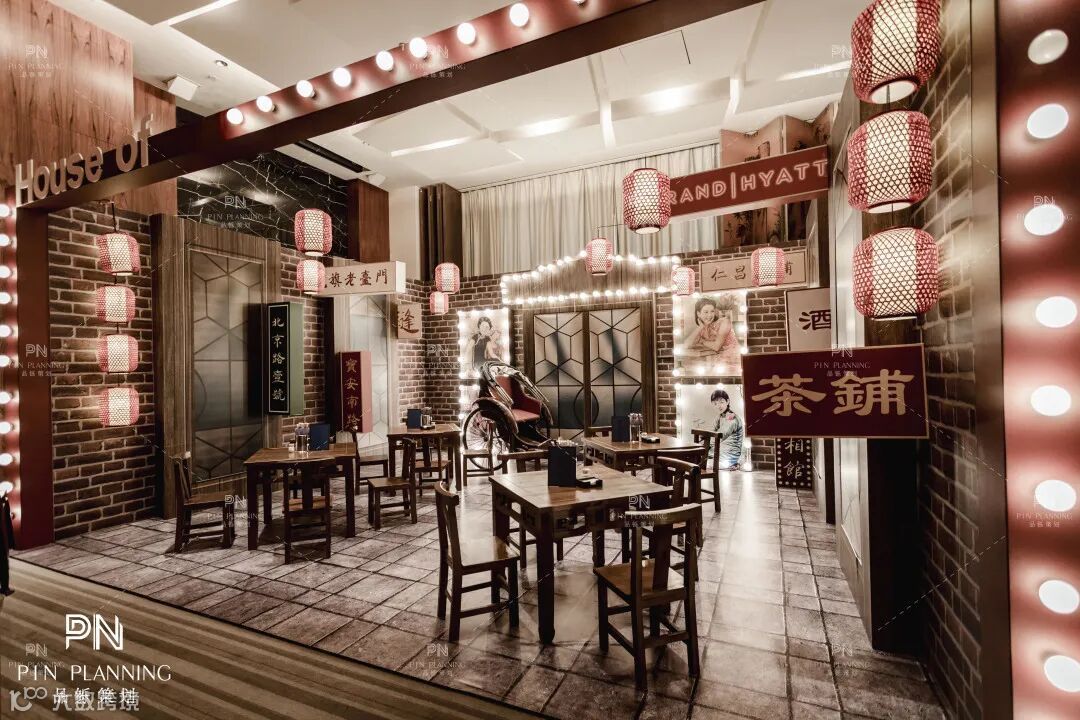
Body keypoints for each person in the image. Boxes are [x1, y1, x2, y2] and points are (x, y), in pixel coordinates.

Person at [681, 296, 741, 370]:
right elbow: (686, 345)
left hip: (732, 359)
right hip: (716, 362)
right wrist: (700, 327)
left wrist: (702, 341)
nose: (709, 315)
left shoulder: (724, 322)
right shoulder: (703, 328)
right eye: (706, 312)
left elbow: (716, 346)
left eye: (712, 311)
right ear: (698, 314)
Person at [711, 388, 744, 470]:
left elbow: (720, 436)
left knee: (697, 464)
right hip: (720, 453)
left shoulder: (731, 417)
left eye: (721, 402)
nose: (719, 406)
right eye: (715, 403)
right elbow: (712, 432)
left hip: (729, 457)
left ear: (728, 401)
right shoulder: (720, 416)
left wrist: (704, 445)